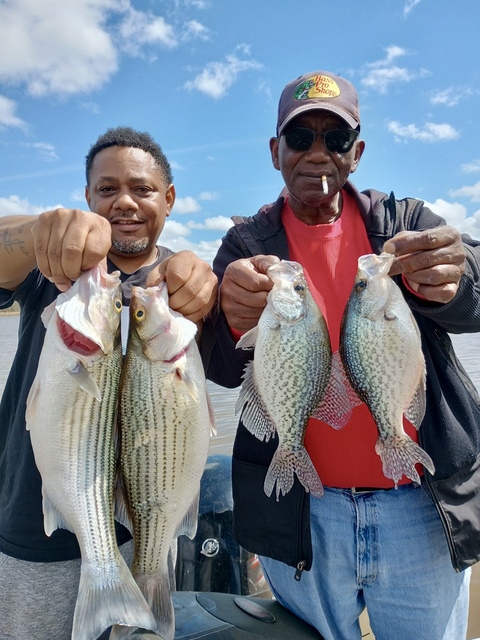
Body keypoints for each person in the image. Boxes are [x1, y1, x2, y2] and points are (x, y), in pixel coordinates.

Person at [201, 71, 480, 640]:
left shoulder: (402, 223)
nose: (318, 153)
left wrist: (460, 281)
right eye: (301, 138)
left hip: (420, 510)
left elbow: (474, 286)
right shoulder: (245, 246)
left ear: (358, 152)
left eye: (336, 138)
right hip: (305, 513)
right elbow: (221, 371)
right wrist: (227, 318)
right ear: (276, 151)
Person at [0, 126, 217, 639]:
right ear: (87, 198)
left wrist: (204, 289)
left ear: (168, 199)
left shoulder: (180, 294)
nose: (124, 201)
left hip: (136, 531)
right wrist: (37, 234)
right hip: (36, 530)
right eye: (106, 189)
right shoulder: (53, 270)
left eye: (141, 189)